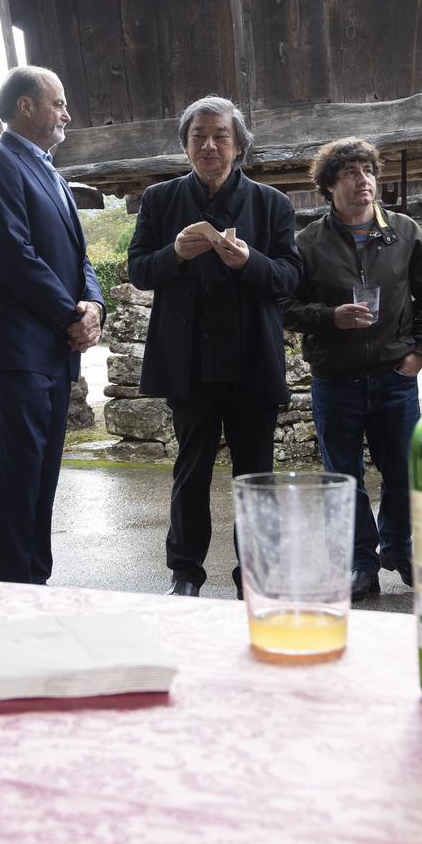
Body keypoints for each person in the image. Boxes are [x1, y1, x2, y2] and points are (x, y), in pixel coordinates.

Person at [127, 96, 301, 597]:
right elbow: (138, 269)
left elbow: (290, 276)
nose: (208, 144)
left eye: (220, 135)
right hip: (188, 360)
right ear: (185, 146)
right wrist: (174, 254)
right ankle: (184, 573)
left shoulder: (272, 204)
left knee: (256, 474)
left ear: (239, 145)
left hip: (252, 359)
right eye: (197, 136)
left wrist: (250, 261)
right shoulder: (160, 200)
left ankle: (256, 577)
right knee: (191, 467)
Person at [0, 66, 104, 585]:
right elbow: (13, 257)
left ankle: (36, 588)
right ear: (25, 106)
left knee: (42, 485)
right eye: (58, 103)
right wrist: (72, 316)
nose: (66, 114)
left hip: (52, 353)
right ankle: (13, 596)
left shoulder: (54, 175)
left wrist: (93, 306)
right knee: (16, 486)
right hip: (10, 352)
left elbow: (81, 259)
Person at [282, 137, 422, 599]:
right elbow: (285, 306)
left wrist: (421, 351)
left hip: (395, 377)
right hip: (336, 380)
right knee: (344, 478)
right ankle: (361, 565)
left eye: (368, 171)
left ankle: (399, 548)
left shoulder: (405, 231)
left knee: (404, 471)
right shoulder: (307, 243)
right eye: (351, 173)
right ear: (329, 186)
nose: (363, 180)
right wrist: (330, 316)